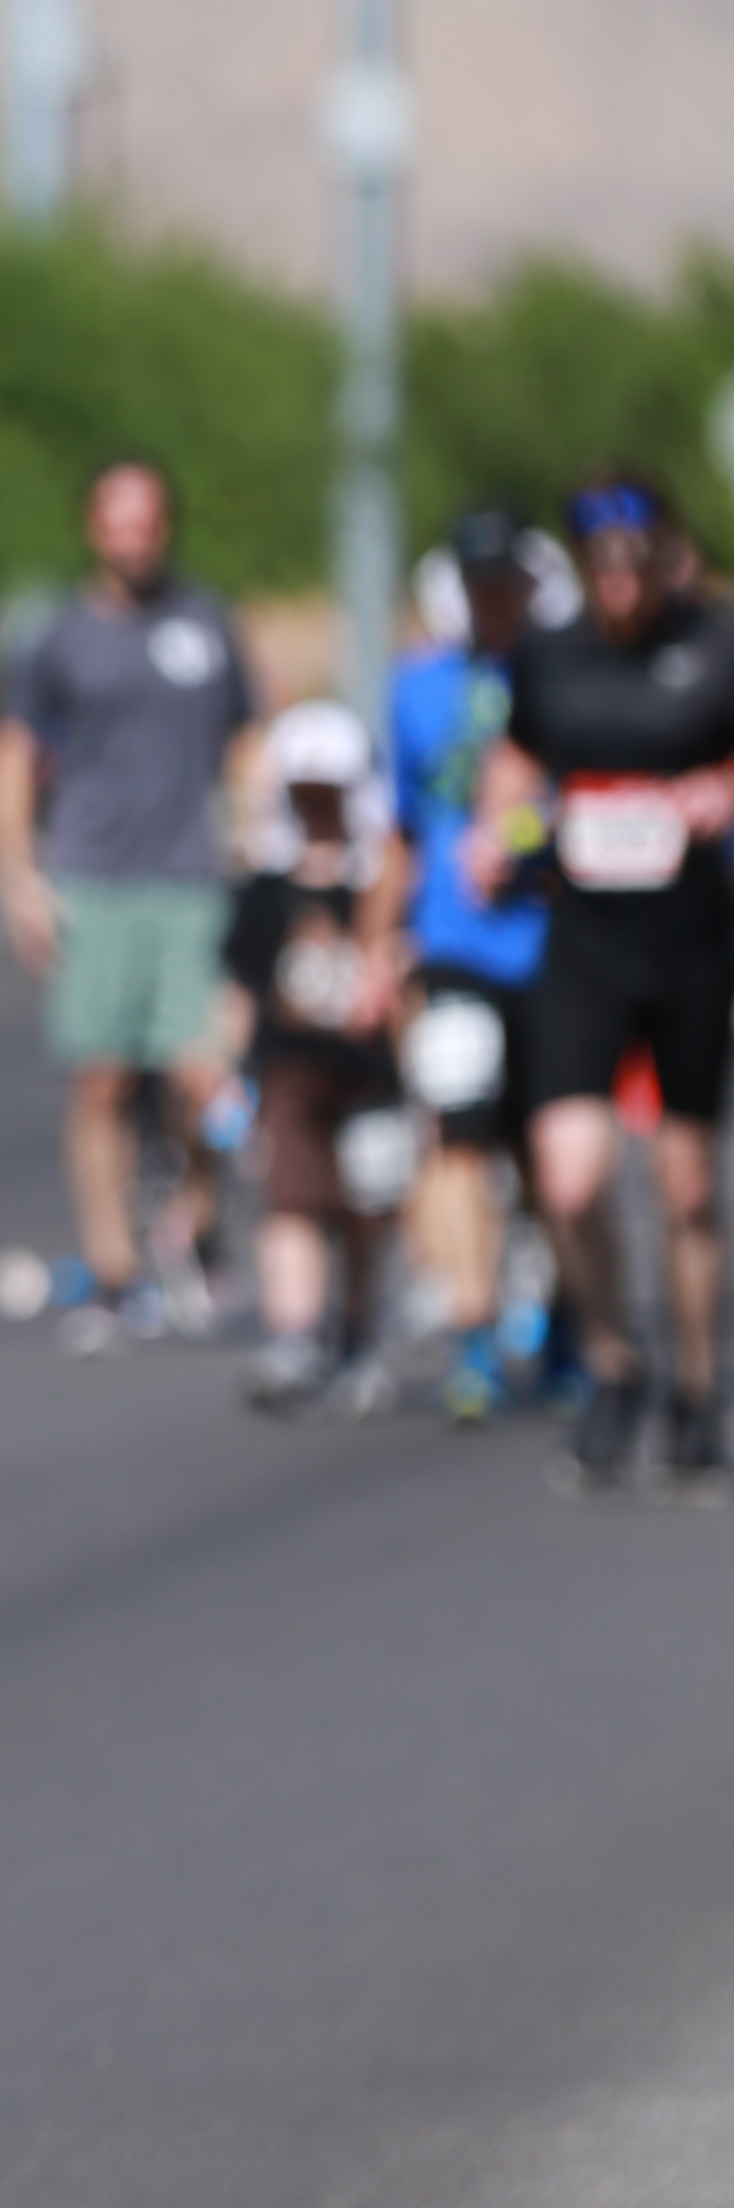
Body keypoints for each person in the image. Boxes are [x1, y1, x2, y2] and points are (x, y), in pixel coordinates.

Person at [474, 468, 734, 1498]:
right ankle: (617, 1366)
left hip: (692, 940)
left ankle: (696, 1390)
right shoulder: (549, 655)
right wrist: (493, 831)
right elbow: (515, 764)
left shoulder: (715, 644)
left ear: (665, 558)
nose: (620, 581)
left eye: (636, 561)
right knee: (570, 1177)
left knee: (686, 1183)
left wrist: (722, 788)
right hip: (585, 940)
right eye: (602, 564)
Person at [0, 456, 257, 1348]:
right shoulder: (61, 636)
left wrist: (256, 836)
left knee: (200, 1074)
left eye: (147, 519)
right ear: (95, 528)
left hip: (191, 879)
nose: (133, 536)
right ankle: (114, 1270)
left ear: (165, 526)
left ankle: (198, 1225)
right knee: (100, 1078)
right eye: (117, 519)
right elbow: (10, 755)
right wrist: (19, 878)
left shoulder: (206, 624)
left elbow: (251, 738)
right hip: (93, 877)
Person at [387, 506, 551, 1421]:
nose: (490, 595)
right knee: (456, 1127)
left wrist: (520, 834)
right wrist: (380, 938)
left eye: (503, 579)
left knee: (546, 1147)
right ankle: (473, 1326)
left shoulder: (565, 675)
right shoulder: (417, 686)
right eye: (475, 579)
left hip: (553, 942)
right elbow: (403, 827)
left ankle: (569, 1321)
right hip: (453, 940)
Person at [216, 699, 407, 1415]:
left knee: (366, 1206)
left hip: (369, 1073)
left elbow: (404, 967)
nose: (317, 806)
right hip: (289, 1069)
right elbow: (239, 986)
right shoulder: (268, 885)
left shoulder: (380, 880)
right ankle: (297, 1335)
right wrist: (226, 1079)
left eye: (329, 792)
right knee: (290, 1198)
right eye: (305, 792)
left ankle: (359, 1335)